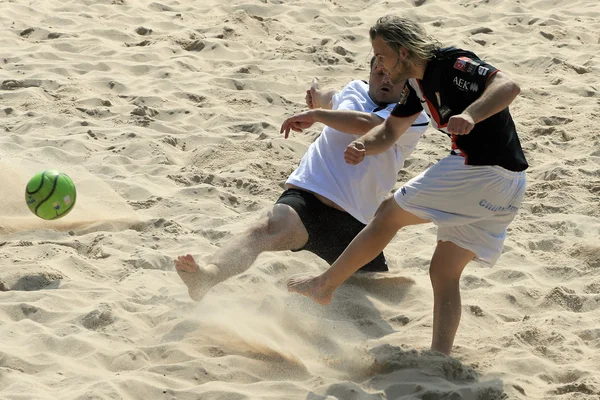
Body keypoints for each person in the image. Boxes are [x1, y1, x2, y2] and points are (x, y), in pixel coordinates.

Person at [287, 14, 528, 355]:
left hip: (480, 171)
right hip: (510, 187)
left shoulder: (452, 63)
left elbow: (509, 86)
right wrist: (363, 146)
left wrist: (471, 115)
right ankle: (439, 357)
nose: (380, 67)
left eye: (381, 56)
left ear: (402, 52)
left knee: (388, 212)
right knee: (444, 271)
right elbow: (387, 132)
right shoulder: (415, 87)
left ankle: (324, 285)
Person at [174, 56, 429, 301]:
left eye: (393, 76)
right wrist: (317, 97)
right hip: (308, 201)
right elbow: (333, 99)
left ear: (406, 82)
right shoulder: (354, 90)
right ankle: (206, 277)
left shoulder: (413, 116)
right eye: (379, 72)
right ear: (370, 73)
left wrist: (316, 115)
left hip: (356, 225)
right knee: (263, 229)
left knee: (380, 293)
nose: (385, 79)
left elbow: (367, 123)